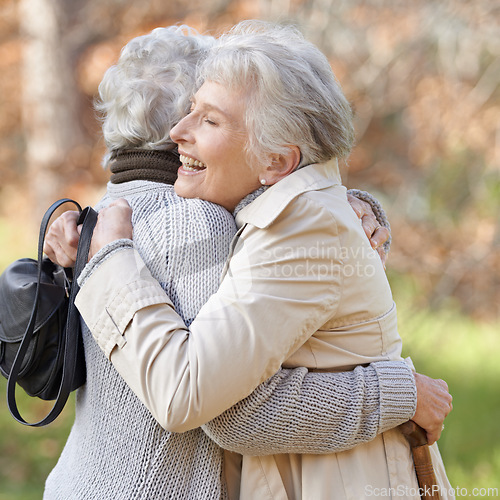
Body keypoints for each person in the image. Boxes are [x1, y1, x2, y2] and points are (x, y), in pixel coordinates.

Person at [44, 24, 452, 500]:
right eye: (190, 110)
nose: (183, 131)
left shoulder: (109, 207)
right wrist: (402, 393)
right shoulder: (195, 222)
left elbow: (293, 224)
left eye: (209, 118)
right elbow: (228, 411)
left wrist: (343, 208)